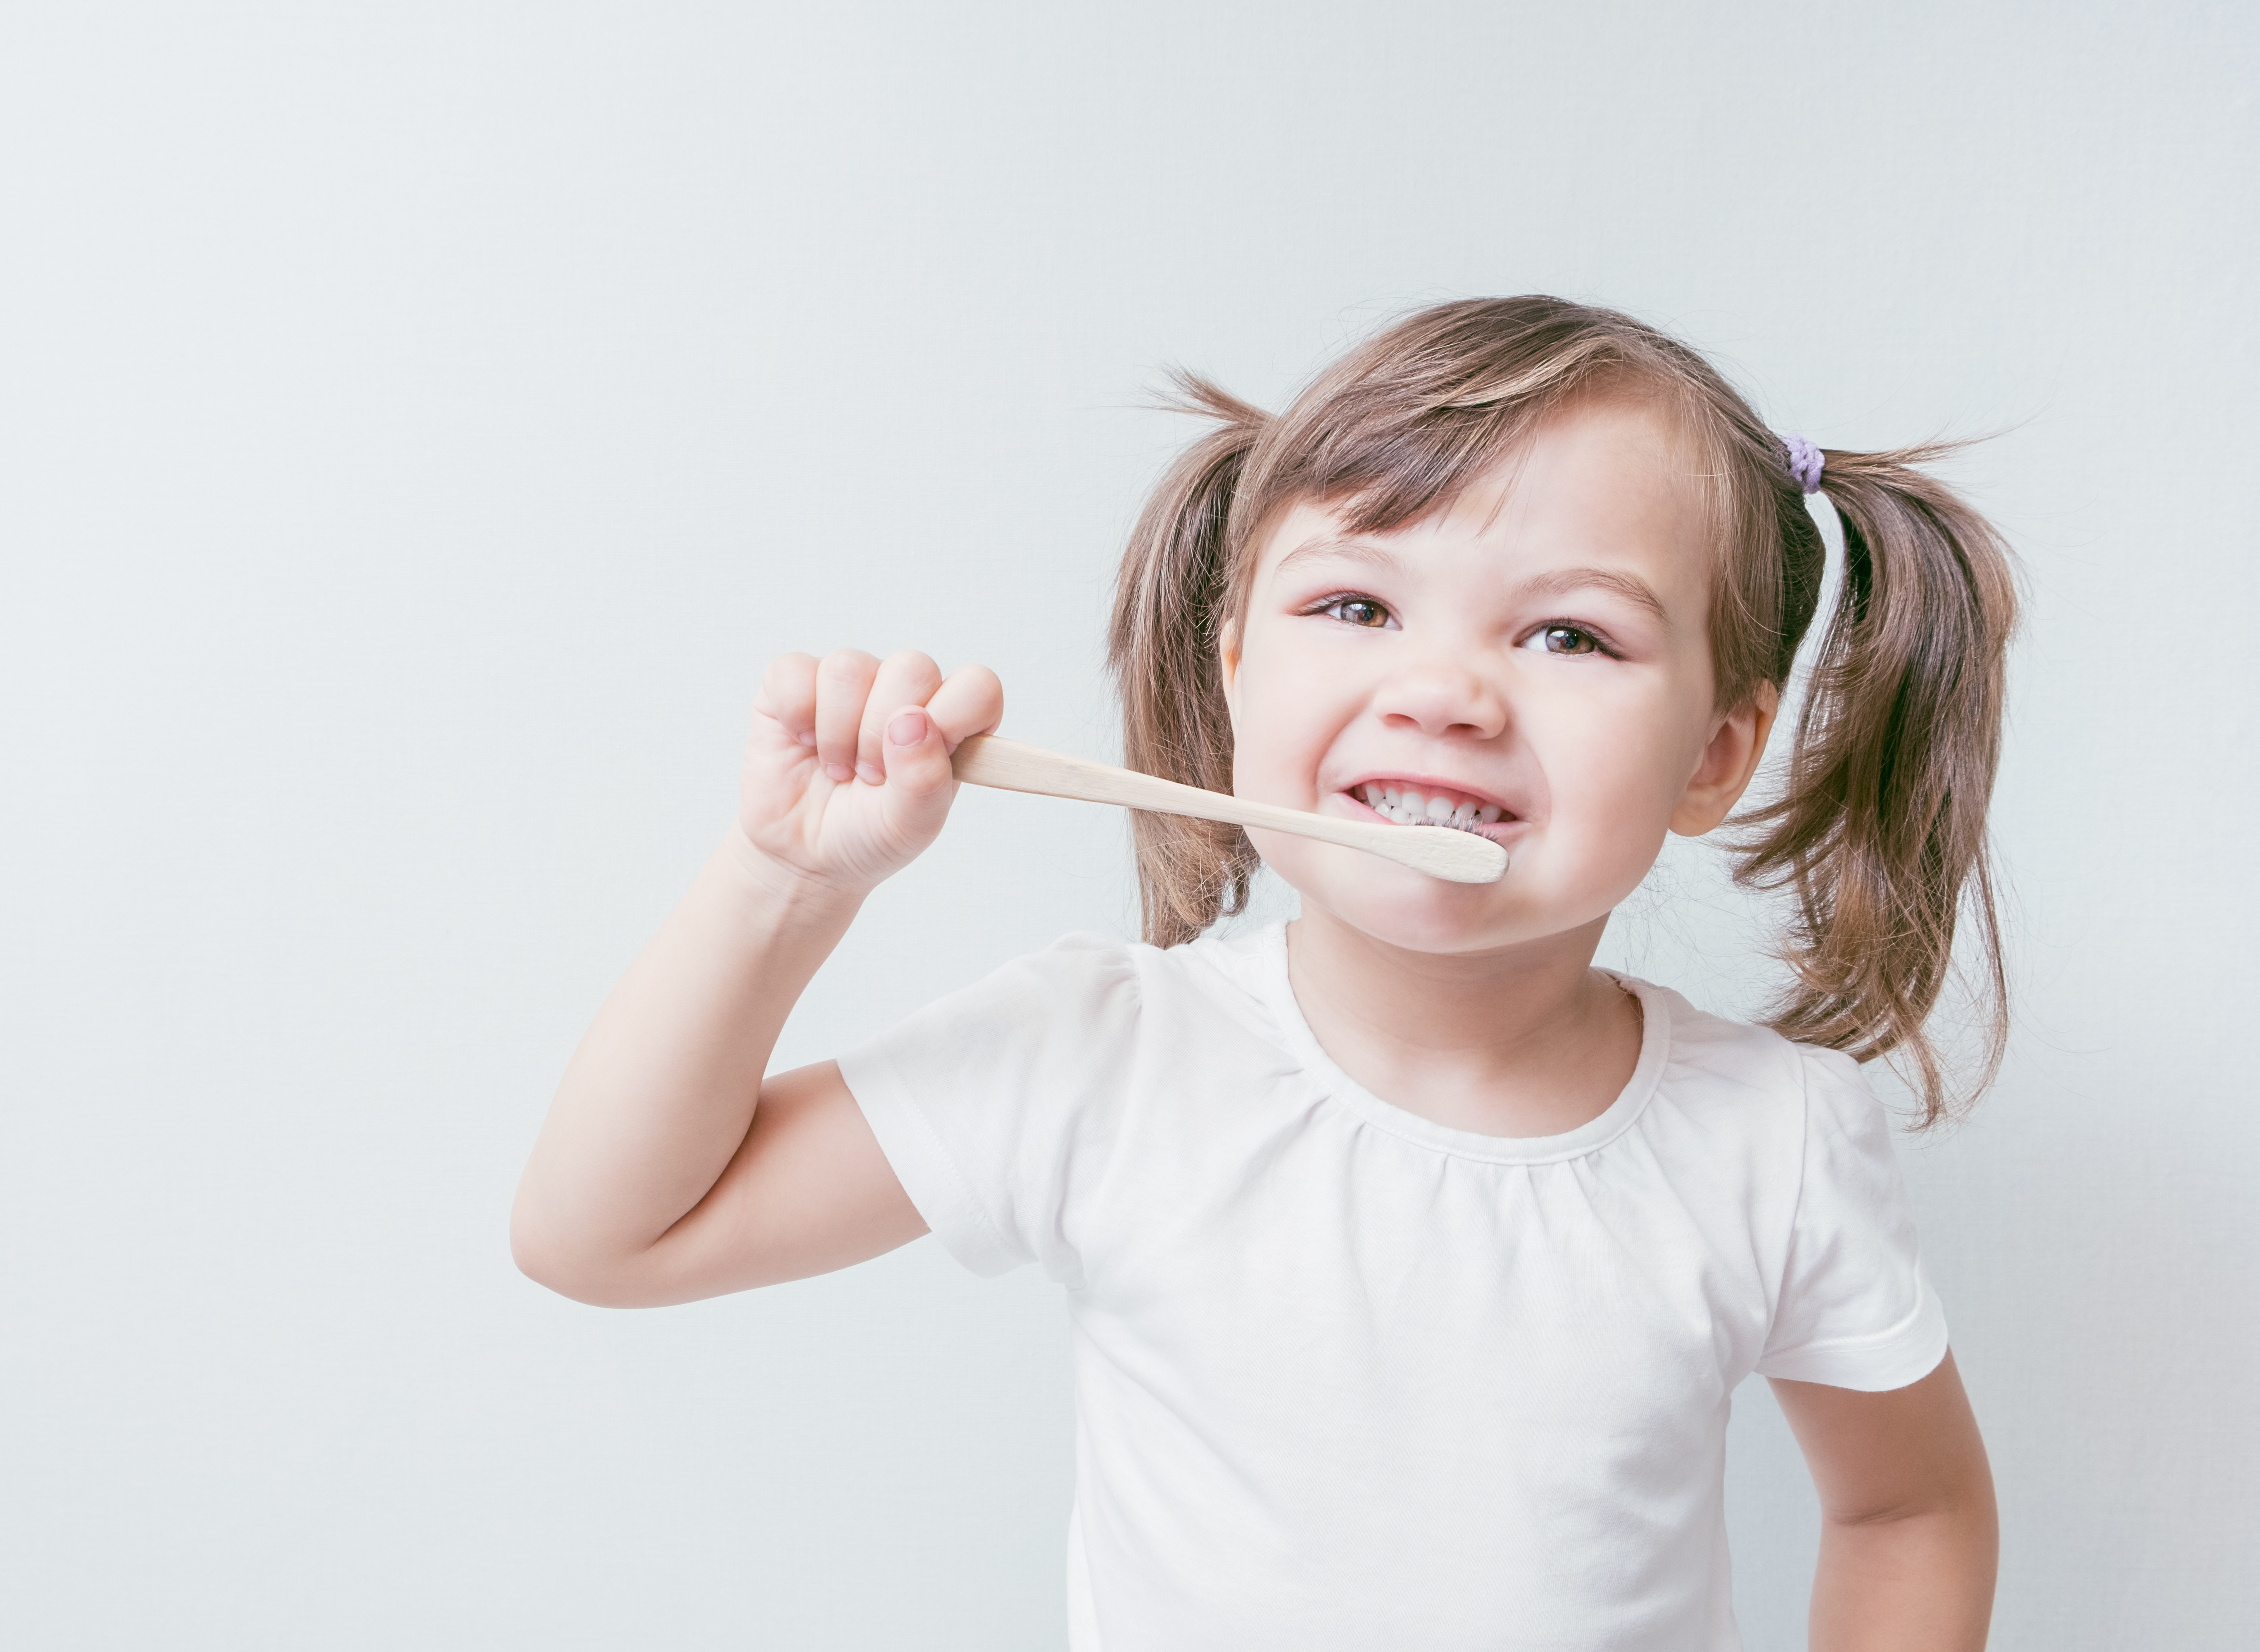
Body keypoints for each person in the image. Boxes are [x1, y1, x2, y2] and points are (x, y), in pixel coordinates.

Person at [511, 297, 2015, 1651]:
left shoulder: (1776, 1141)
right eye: (1355, 606)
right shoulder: (1098, 1056)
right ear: (1234, 667)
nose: (1443, 693)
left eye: (1570, 633)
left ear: (1716, 755)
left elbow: (1909, 1514)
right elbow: (605, 1239)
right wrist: (787, 882)